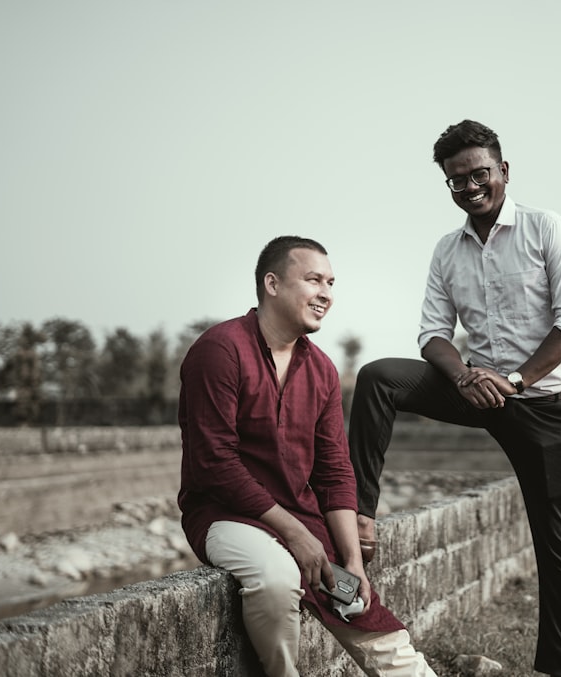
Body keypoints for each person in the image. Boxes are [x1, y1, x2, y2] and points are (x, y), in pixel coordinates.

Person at [349, 120, 561, 676]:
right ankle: (359, 513)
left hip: (543, 402)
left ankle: (555, 669)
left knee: (555, 547)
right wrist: (463, 377)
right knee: (378, 377)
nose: (470, 187)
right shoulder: (447, 250)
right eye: (456, 180)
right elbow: (433, 332)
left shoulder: (545, 228)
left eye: (479, 174)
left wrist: (518, 382)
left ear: (503, 171)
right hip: (476, 390)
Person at [177, 236, 437, 677]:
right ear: (272, 284)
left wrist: (352, 559)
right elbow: (214, 464)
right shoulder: (220, 350)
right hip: (225, 515)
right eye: (313, 279)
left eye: (331, 282)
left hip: (303, 516)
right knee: (277, 579)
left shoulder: (321, 369)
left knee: (360, 607)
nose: (326, 294)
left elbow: (335, 472)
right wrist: (295, 534)